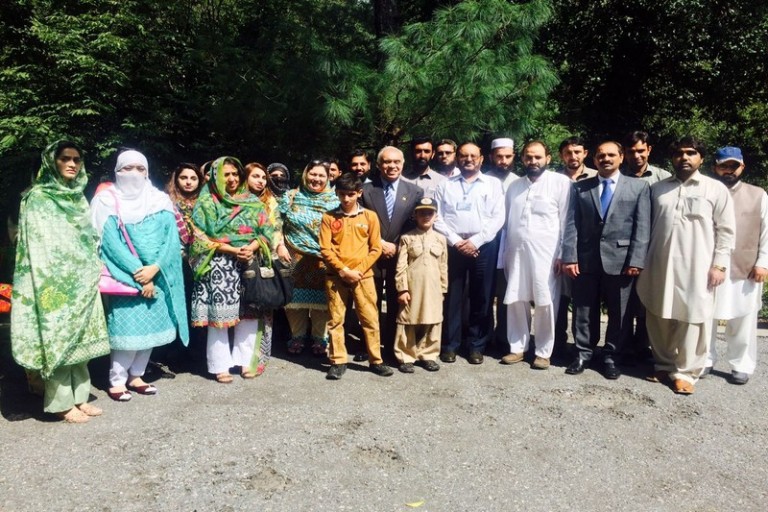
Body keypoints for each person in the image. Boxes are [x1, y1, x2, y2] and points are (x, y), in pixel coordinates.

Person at [11, 140, 110, 423]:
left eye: (76, 159)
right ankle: (60, 403)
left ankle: (80, 396)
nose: (72, 164)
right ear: (50, 162)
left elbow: (88, 238)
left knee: (81, 341)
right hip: (53, 283)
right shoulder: (38, 198)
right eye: (65, 158)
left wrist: (91, 268)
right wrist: (56, 278)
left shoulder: (77, 196)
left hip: (83, 279)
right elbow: (38, 245)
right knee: (59, 340)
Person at [636, 136, 735, 395]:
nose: (684, 158)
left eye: (691, 153)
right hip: (659, 262)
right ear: (672, 158)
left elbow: (726, 231)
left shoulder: (715, 189)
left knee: (693, 317)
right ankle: (663, 364)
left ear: (701, 158)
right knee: (658, 314)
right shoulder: (658, 189)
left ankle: (686, 372)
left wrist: (720, 265)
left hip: (698, 265)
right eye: (679, 153)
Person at [91, 149, 189, 400]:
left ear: (147, 172)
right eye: (127, 168)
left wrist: (155, 269)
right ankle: (116, 381)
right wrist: (139, 274)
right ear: (117, 171)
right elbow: (110, 243)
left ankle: (137, 376)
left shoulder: (159, 200)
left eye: (140, 168)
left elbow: (171, 240)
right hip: (125, 278)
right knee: (127, 331)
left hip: (157, 276)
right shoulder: (107, 200)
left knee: (150, 331)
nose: (134, 173)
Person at [561, 141, 650, 379]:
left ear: (621, 158)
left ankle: (612, 356)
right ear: (594, 160)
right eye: (601, 155)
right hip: (585, 260)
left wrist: (636, 260)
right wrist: (570, 256)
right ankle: (583, 353)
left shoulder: (638, 187)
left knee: (620, 312)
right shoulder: (581, 188)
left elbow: (642, 227)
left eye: (611, 155)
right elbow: (571, 224)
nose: (606, 159)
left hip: (622, 261)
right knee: (583, 310)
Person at [189, 156, 274, 383]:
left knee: (249, 313)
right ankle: (220, 365)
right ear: (216, 176)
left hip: (248, 262)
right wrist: (232, 250)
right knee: (219, 316)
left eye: (235, 174)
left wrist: (252, 247)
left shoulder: (253, 202)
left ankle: (246, 361)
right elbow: (199, 238)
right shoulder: (206, 203)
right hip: (218, 263)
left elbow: (266, 231)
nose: (232, 178)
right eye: (226, 174)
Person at [501, 141, 571, 369]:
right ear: (522, 159)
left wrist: (563, 254)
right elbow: (506, 224)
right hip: (516, 252)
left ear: (548, 158)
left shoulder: (560, 183)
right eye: (529, 157)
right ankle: (517, 347)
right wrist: (504, 254)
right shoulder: (514, 186)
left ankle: (543, 351)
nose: (533, 161)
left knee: (545, 300)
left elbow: (566, 221)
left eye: (538, 157)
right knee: (516, 298)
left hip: (547, 255)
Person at [434, 142, 505, 364]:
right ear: (457, 159)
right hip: (452, 245)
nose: (469, 159)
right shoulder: (445, 185)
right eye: (464, 156)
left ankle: (476, 345)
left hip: (484, 245)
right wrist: (457, 241)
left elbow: (498, 217)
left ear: (482, 159)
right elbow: (437, 217)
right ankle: (450, 345)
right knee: (452, 297)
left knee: (482, 296)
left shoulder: (493, 184)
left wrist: (475, 241)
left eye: (473, 156)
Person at [319, 172, 393, 379]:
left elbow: (376, 248)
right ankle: (338, 360)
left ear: (359, 193)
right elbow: (325, 249)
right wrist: (343, 270)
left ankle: (376, 360)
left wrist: (358, 271)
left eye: (351, 194)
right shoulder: (329, 217)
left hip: (363, 276)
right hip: (336, 275)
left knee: (370, 318)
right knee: (336, 319)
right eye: (342, 194)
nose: (346, 198)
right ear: (336, 193)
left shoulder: (369, 216)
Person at [705, 146, 768, 385]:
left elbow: (767, 232)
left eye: (734, 166)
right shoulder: (707, 190)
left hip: (746, 267)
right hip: (709, 266)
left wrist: (763, 263)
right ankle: (704, 359)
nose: (729, 170)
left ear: (742, 167)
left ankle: (741, 364)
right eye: (724, 166)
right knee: (705, 316)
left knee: (744, 319)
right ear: (715, 167)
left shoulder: (758, 194)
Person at [361, 146, 424, 359]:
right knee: (370, 302)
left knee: (398, 302)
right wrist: (379, 243)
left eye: (396, 162)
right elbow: (360, 222)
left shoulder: (415, 192)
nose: (392, 166)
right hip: (372, 254)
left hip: (400, 255)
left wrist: (398, 246)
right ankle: (368, 346)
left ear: (403, 164)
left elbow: (414, 225)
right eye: (387, 162)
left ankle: (392, 347)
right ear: (379, 165)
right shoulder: (365, 190)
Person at [620, 131, 672, 363]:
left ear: (649, 150)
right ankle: (623, 347)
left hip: (654, 248)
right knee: (625, 300)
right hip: (623, 248)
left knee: (648, 300)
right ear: (625, 153)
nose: (636, 156)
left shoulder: (663, 178)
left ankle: (643, 346)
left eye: (641, 150)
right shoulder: (618, 176)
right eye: (631, 151)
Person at [278, 160, 339, 356]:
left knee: (323, 302)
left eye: (321, 175)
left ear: (328, 177)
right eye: (313, 174)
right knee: (294, 300)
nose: (316, 179)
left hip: (323, 257)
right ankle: (297, 336)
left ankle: (320, 338)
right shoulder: (291, 196)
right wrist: (279, 244)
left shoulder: (335, 201)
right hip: (293, 255)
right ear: (305, 175)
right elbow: (277, 223)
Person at [394, 198, 448, 373]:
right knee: (408, 320)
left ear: (436, 216)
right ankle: (406, 356)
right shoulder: (407, 238)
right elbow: (401, 266)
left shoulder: (441, 239)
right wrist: (402, 288)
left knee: (432, 320)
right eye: (422, 213)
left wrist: (443, 289)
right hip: (412, 287)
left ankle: (428, 355)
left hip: (433, 287)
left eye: (430, 213)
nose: (426, 216)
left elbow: (443, 265)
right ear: (415, 215)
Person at [555, 136, 597, 353]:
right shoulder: (553, 179)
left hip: (587, 249)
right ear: (561, 155)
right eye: (568, 153)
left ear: (585, 154)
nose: (573, 156)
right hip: (557, 246)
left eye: (577, 152)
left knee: (584, 301)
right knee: (560, 297)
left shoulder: (596, 177)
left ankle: (584, 347)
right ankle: (558, 343)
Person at [484, 137, 519, 352]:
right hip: (488, 242)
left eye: (507, 157)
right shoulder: (483, 180)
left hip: (511, 244)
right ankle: (485, 336)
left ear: (513, 157)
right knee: (485, 292)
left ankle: (505, 337)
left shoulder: (519, 182)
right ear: (491, 157)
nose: (503, 161)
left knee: (508, 292)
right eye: (499, 157)